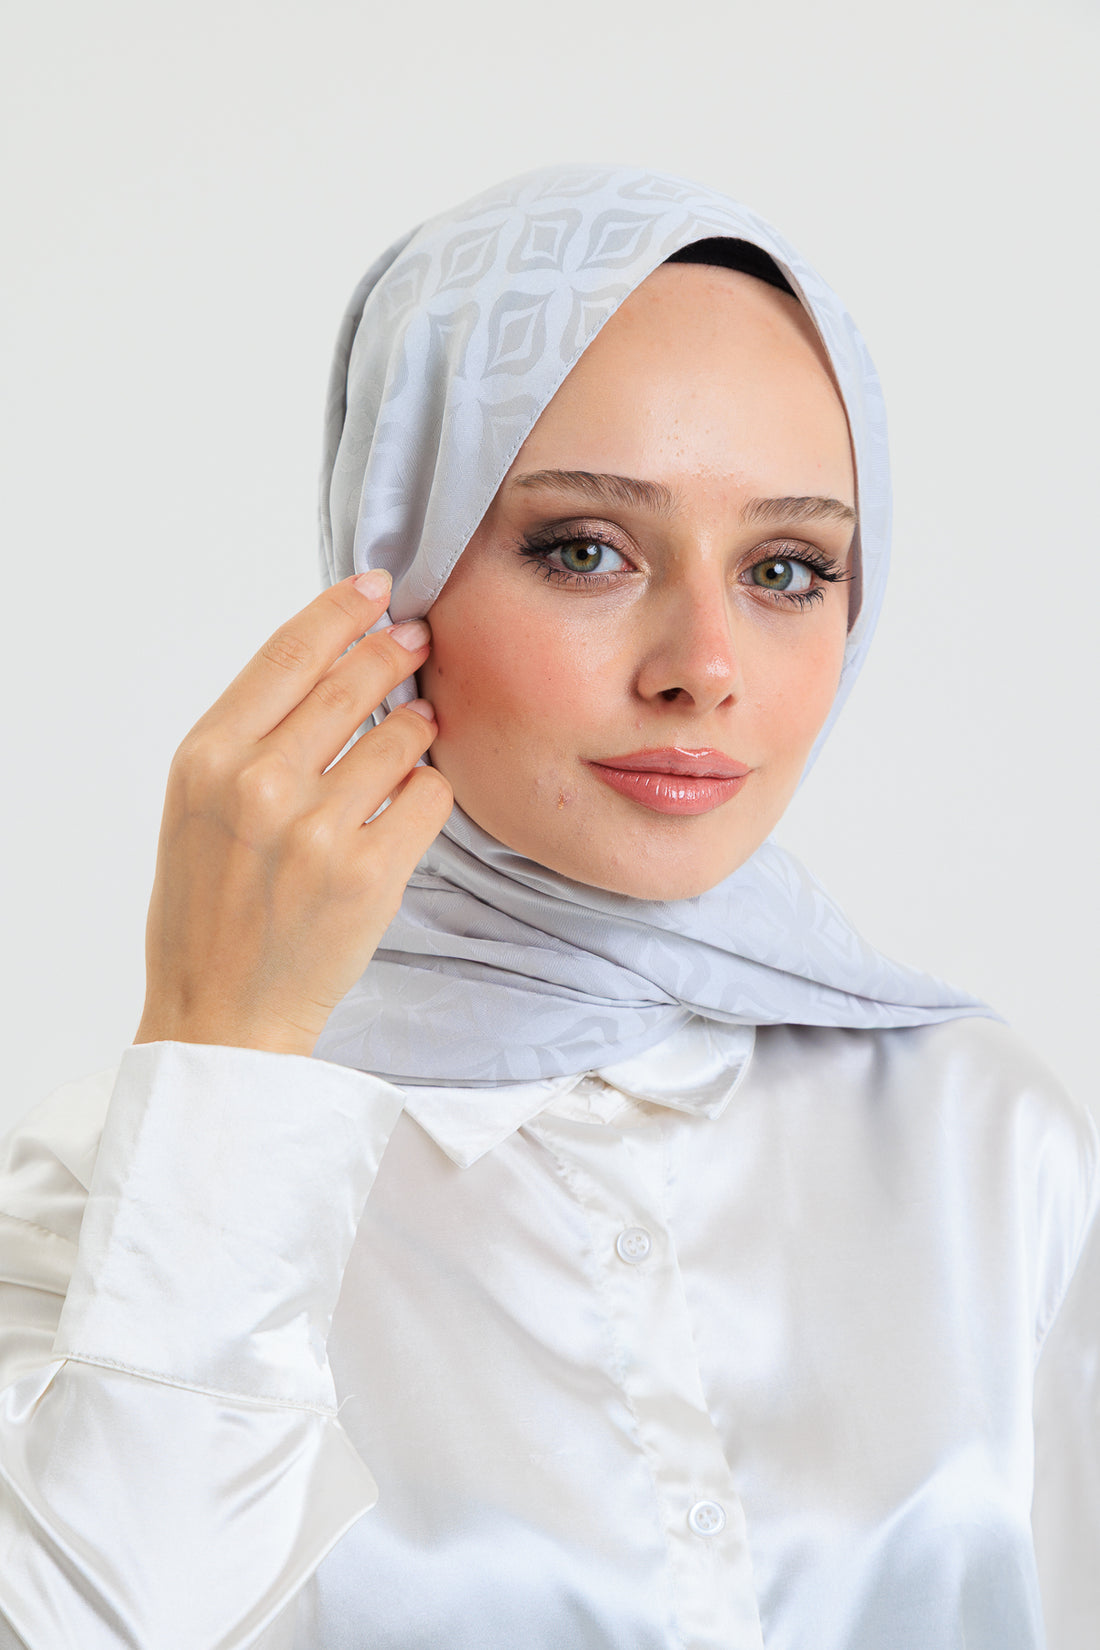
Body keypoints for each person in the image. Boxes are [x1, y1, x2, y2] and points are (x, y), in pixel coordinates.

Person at [0, 163, 1096, 1650]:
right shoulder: (127, 1184)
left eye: (787, 566)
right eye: (586, 548)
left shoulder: (986, 1134)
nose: (702, 663)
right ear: (397, 573)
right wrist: (228, 1047)